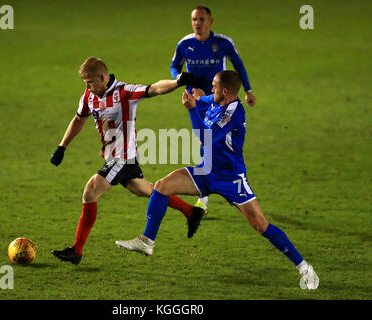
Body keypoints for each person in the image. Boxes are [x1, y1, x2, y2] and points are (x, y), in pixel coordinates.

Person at [115, 70, 319, 290]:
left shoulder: (233, 114)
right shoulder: (216, 100)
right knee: (162, 186)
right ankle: (147, 241)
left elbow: (204, 138)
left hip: (231, 179)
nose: (211, 90)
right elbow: (203, 99)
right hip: (206, 171)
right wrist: (193, 95)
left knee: (261, 225)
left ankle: (305, 268)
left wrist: (192, 110)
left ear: (225, 91)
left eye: (214, 86)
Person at [50, 57, 205, 265]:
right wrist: (62, 146)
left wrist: (178, 82)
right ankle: (191, 211)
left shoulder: (124, 92)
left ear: (102, 77)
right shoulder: (88, 96)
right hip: (116, 156)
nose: (87, 87)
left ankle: (76, 250)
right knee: (144, 190)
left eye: (89, 82)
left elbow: (155, 89)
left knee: (90, 191)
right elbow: (79, 119)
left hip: (121, 158)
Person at [170, 5, 257, 213]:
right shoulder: (185, 44)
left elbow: (239, 65)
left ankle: (219, 189)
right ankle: (208, 193)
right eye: (194, 20)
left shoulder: (223, 43)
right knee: (204, 141)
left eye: (201, 19)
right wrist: (180, 78)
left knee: (210, 140)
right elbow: (175, 65)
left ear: (210, 21)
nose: (197, 23)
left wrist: (248, 90)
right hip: (197, 99)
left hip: (219, 100)